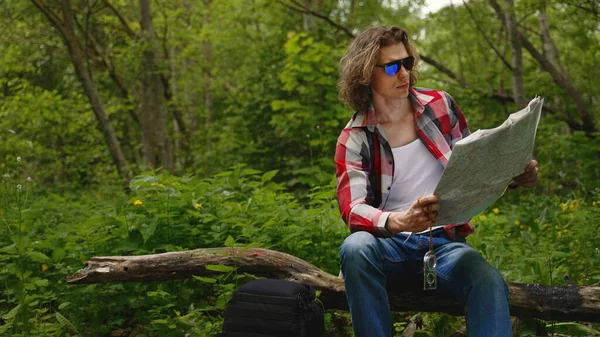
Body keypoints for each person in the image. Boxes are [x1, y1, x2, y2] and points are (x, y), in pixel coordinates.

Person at [334, 26, 538, 337]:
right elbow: (352, 210)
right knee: (355, 246)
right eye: (391, 66)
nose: (403, 72)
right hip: (388, 248)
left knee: (487, 280)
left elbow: (476, 167)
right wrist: (400, 221)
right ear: (365, 73)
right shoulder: (354, 137)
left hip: (443, 246)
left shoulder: (441, 106)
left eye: (408, 62)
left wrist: (514, 174)